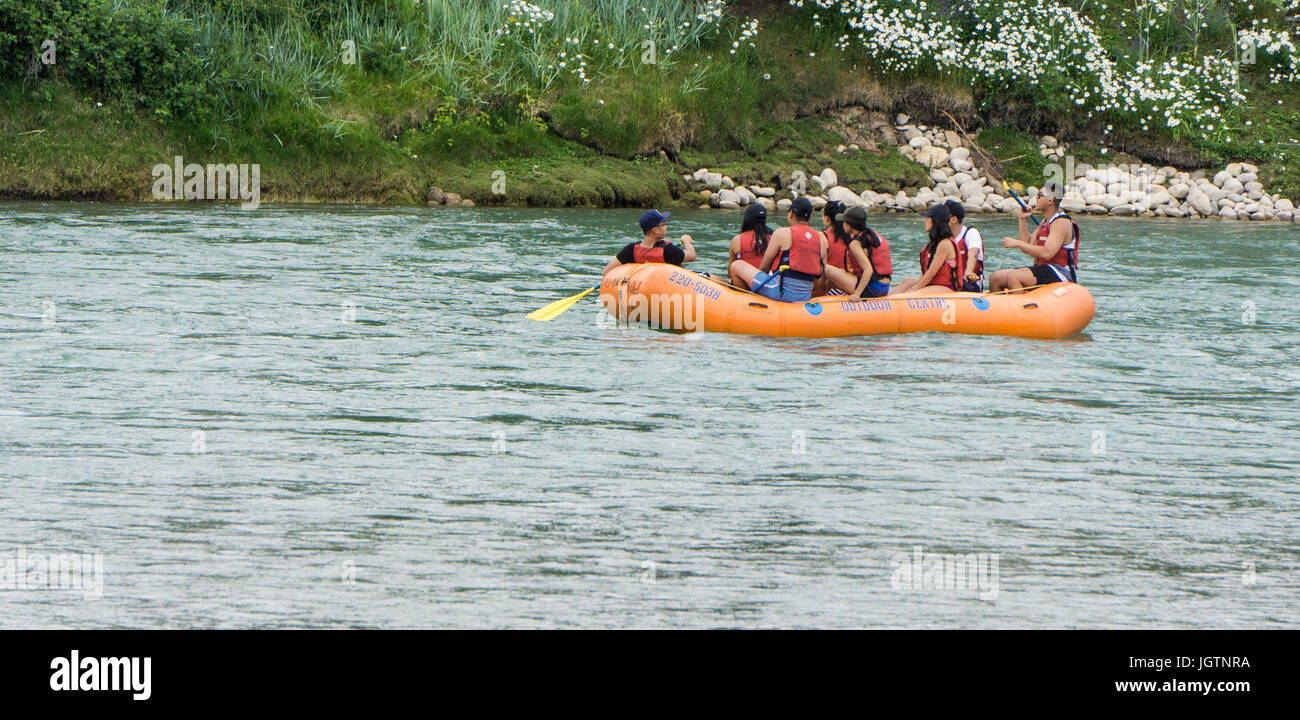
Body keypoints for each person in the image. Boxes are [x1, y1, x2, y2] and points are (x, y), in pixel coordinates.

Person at [729, 197, 827, 303]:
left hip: (780, 294)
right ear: (810, 217)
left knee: (736, 265)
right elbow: (819, 279)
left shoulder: (782, 233)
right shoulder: (821, 240)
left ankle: (744, 304)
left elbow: (764, 268)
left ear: (791, 214)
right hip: (805, 296)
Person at [989, 180, 1080, 292]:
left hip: (1060, 272)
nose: (1036, 197)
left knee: (1015, 277)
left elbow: (1047, 253)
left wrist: (1018, 243)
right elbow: (1027, 244)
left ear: (1050, 200)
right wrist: (1022, 219)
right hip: (1044, 269)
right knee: (996, 277)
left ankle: (1020, 302)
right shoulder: (1045, 221)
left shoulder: (1061, 222)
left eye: (1040, 195)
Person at [889, 203, 964, 294]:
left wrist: (914, 289)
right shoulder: (934, 243)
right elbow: (926, 272)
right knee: (907, 281)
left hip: (947, 287)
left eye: (928, 218)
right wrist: (912, 284)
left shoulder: (945, 244)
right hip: (934, 284)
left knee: (914, 293)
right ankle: (882, 301)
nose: (925, 221)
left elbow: (931, 273)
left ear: (935, 221)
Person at [825, 204, 892, 299]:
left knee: (826, 268)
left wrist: (857, 294)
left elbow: (868, 270)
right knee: (841, 272)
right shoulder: (875, 236)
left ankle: (810, 298)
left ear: (849, 225)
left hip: (872, 290)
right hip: (884, 287)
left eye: (844, 222)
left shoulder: (855, 243)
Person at [604, 209, 695, 274]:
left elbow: (606, 272)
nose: (666, 227)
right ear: (655, 230)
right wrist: (686, 241)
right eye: (664, 224)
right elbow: (692, 256)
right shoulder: (668, 250)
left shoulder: (631, 249)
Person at [728, 204, 772, 289]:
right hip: (767, 287)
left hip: (745, 289)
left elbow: (730, 273)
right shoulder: (773, 239)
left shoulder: (737, 240)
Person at [945, 199, 984, 292]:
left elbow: (973, 254)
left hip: (969, 285)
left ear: (953, 219)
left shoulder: (971, 233)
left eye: (943, 217)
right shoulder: (945, 238)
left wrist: (968, 271)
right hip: (950, 283)